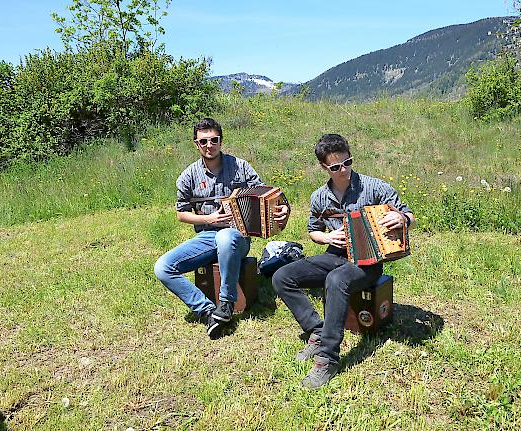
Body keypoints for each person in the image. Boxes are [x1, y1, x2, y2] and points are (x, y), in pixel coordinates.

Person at [271, 133, 415, 389]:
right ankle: (316, 330)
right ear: (324, 167)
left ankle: (327, 358)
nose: (344, 170)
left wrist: (403, 220)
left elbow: (408, 214)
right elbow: (313, 230)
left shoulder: (373, 187)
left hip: (367, 263)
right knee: (282, 276)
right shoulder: (319, 197)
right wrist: (327, 236)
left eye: (347, 162)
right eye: (336, 167)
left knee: (336, 280)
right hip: (333, 256)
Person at [154, 117, 289, 339]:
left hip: (238, 236)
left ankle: (226, 302)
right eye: (203, 141)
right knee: (163, 267)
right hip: (206, 236)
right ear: (196, 144)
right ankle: (207, 310)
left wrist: (282, 208)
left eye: (213, 140)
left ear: (221, 141)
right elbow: (181, 213)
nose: (209, 145)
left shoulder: (241, 166)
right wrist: (209, 219)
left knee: (227, 236)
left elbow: (266, 194)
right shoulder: (188, 176)